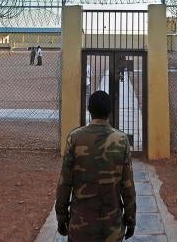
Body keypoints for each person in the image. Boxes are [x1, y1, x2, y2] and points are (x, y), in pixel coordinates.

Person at [55, 90, 136, 241]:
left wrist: (61, 216)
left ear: (89, 110)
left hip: (80, 228)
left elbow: (65, 183)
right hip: (112, 228)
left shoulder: (75, 138)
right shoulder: (121, 140)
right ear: (110, 111)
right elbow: (128, 186)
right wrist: (130, 219)